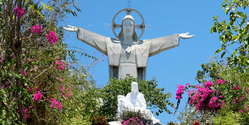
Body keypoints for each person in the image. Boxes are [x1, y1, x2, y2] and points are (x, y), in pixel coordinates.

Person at [64, 14, 193, 81]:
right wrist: (79, 31)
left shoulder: (143, 45)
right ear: (121, 27)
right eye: (125, 25)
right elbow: (95, 39)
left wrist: (176, 37)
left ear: (134, 27)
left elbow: (160, 43)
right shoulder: (112, 43)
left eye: (130, 25)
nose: (127, 28)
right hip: (118, 80)